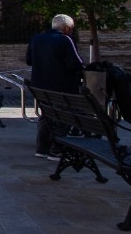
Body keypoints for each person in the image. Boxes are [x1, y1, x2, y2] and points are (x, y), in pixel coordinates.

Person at [26, 13, 85, 161]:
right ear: (66, 27)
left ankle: (42, 149)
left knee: (46, 115)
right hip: (62, 87)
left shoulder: (36, 39)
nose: (71, 30)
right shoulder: (65, 40)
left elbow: (29, 61)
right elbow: (75, 64)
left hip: (40, 86)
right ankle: (56, 150)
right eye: (71, 28)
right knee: (64, 116)